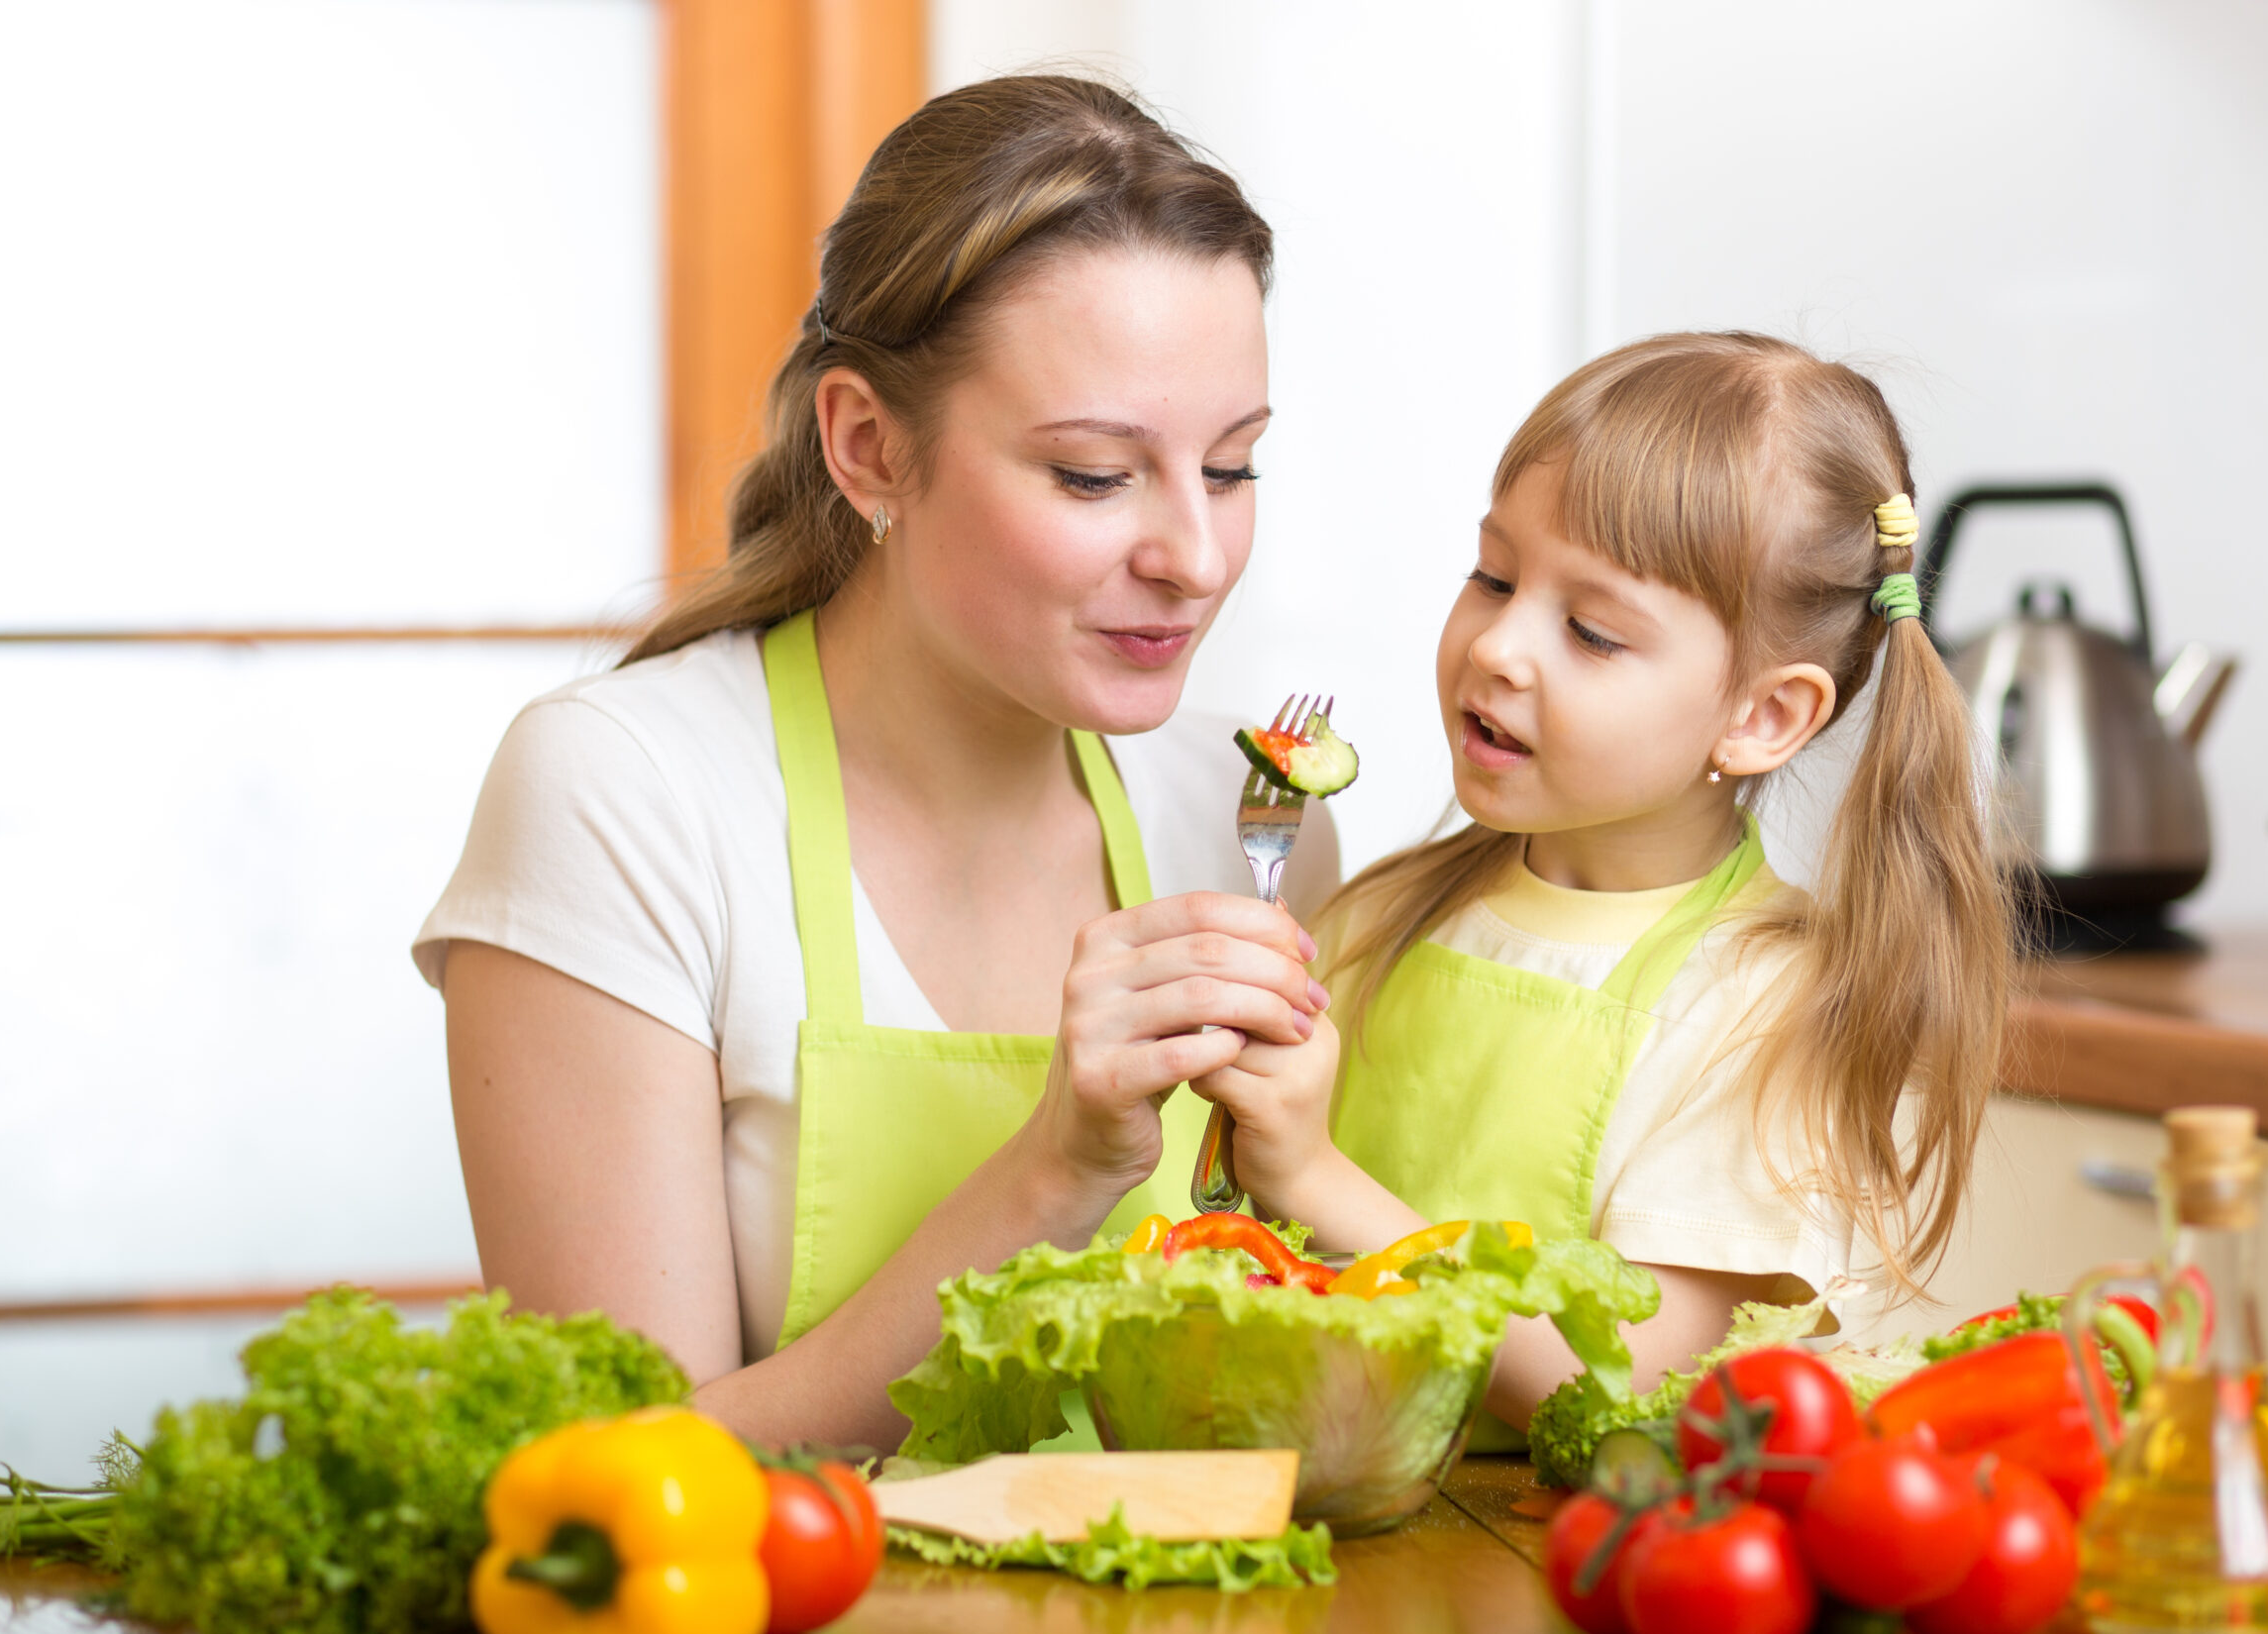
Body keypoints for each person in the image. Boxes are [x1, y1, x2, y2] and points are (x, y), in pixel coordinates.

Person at [415, 76, 1338, 1449]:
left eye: (1234, 467)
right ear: (868, 446)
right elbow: (620, 1483)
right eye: (1095, 475)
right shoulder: (625, 794)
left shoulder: (1256, 817)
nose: (1195, 560)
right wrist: (1048, 1175)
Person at [1196, 332, 2009, 1441]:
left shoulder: (1768, 1007)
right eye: (1493, 576)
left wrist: (1314, 1176)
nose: (1498, 646)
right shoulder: (1380, 913)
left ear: (1761, 716)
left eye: (1590, 630)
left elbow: (1619, 1386)